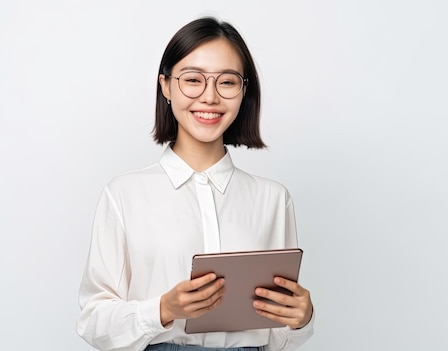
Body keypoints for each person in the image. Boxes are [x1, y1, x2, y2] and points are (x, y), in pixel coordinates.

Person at [77, 16, 314, 350]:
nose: (210, 97)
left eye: (227, 82)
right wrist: (163, 309)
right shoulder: (124, 195)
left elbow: (278, 332)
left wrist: (301, 318)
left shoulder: (273, 198)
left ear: (244, 91)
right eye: (193, 80)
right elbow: (92, 321)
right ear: (166, 86)